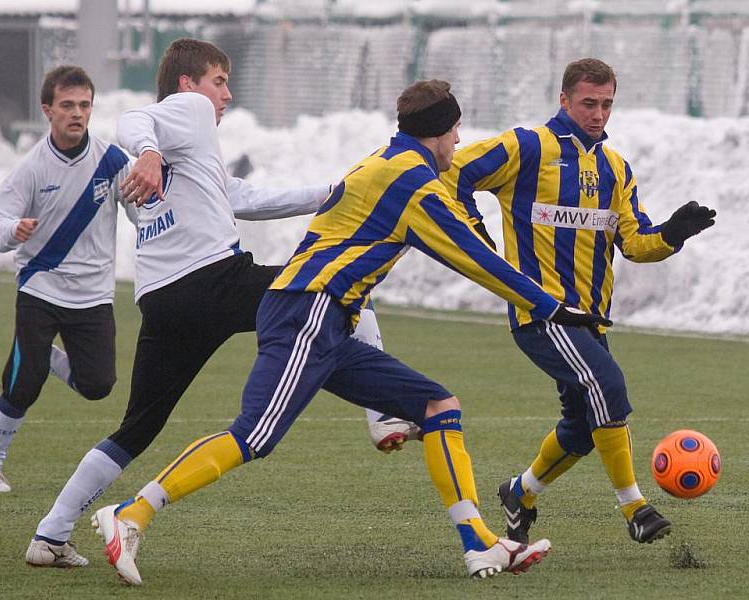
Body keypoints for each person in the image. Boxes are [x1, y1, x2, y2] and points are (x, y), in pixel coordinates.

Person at [90, 79, 612, 586]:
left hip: (331, 317)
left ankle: (477, 542)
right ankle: (131, 513)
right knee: (254, 435)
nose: (459, 142)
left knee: (438, 407)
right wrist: (552, 307)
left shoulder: (384, 161)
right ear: (438, 132)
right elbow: (472, 259)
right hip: (308, 312)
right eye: (456, 132)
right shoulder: (414, 183)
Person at [25, 38, 386, 568]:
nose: (227, 94)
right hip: (214, 280)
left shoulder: (190, 158)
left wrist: (333, 192)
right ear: (188, 86)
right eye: (219, 81)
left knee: (138, 426)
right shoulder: (185, 115)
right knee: (345, 286)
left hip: (164, 301)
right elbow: (130, 119)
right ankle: (385, 414)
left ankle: (49, 535)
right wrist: (147, 150)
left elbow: (248, 200)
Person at [440, 58, 716, 546]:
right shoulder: (527, 146)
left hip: (589, 319)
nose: (599, 114)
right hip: (541, 313)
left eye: (607, 104)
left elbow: (634, 243)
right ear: (564, 100)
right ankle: (635, 507)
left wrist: (673, 234)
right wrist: (476, 236)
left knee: (585, 426)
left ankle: (519, 492)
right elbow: (450, 171)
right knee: (606, 384)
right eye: (589, 103)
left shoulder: (614, 167)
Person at [0, 66, 137, 496]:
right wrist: (15, 230)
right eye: (67, 105)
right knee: (22, 384)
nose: (77, 113)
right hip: (40, 287)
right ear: (48, 110)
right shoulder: (30, 168)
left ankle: (40, 354)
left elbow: (144, 212)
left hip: (93, 295)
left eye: (84, 105)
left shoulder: (112, 160)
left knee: (98, 387)